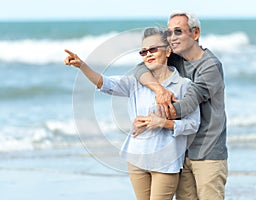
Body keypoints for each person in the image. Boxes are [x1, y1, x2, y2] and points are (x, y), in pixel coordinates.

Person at [64, 27, 200, 200]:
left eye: (153, 49)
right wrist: (82, 66)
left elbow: (193, 124)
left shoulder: (184, 85)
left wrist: (163, 123)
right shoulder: (135, 82)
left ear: (167, 51)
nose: (148, 54)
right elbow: (103, 83)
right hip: (136, 159)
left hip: (165, 163)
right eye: (143, 52)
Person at [134, 11, 228, 200]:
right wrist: (159, 89)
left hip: (208, 152)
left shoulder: (210, 66)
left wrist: (153, 119)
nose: (172, 38)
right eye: (169, 33)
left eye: (178, 32)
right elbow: (140, 68)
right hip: (180, 152)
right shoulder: (175, 59)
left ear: (195, 33)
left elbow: (187, 105)